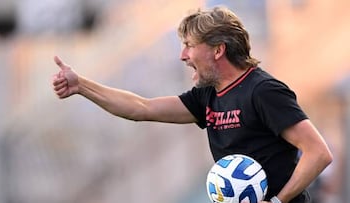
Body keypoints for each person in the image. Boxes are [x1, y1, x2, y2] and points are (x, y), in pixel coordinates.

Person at [52, 6, 332, 203]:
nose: (182, 55)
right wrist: (82, 86)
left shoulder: (263, 91)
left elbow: (318, 153)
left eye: (189, 45)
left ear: (218, 50)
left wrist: (278, 201)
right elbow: (142, 107)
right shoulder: (208, 95)